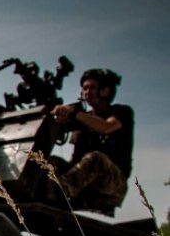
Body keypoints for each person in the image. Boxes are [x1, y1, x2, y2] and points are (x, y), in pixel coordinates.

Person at [51, 68, 133, 212]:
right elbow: (75, 160)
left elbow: (106, 127)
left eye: (92, 88)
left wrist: (75, 113)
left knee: (96, 159)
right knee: (51, 162)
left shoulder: (122, 112)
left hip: (114, 184)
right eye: (85, 88)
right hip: (86, 183)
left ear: (106, 91)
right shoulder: (81, 118)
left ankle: (58, 192)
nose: (87, 92)